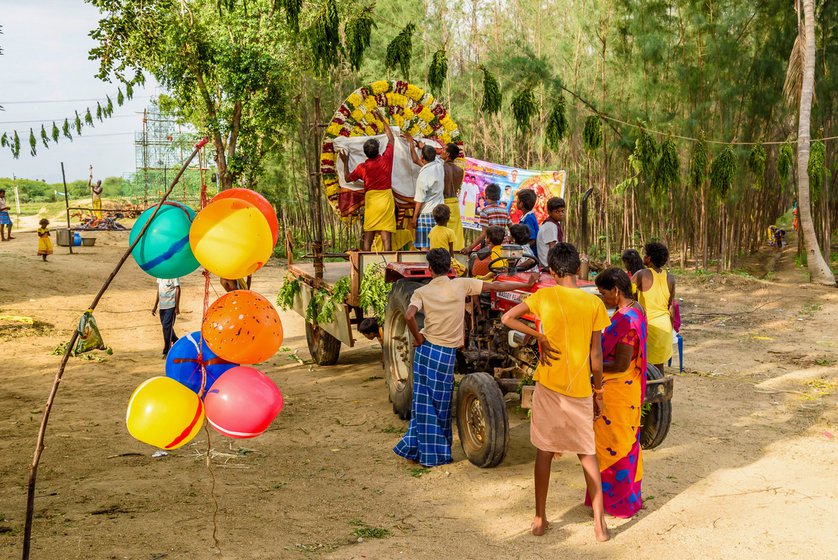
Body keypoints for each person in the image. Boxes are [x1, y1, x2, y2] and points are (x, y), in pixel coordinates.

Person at [501, 242, 611, 541]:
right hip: (580, 390)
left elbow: (506, 318)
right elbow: (596, 357)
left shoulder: (543, 296)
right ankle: (600, 525)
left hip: (549, 385)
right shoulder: (594, 304)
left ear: (551, 271)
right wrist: (598, 392)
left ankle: (539, 518)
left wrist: (539, 336)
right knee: (588, 454)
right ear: (578, 269)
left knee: (545, 452)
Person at [394, 248, 537, 467]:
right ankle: (434, 455)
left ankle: (416, 449)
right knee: (440, 406)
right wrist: (525, 285)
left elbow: (409, 315)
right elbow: (496, 286)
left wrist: (418, 338)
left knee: (423, 403)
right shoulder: (461, 284)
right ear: (450, 268)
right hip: (444, 353)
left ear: (430, 269)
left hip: (425, 351)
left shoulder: (421, 292)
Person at [592, 267, 647, 518]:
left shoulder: (626, 320)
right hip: (628, 389)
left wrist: (590, 365)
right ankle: (621, 500)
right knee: (625, 444)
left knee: (614, 446)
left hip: (617, 392)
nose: (602, 298)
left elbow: (621, 363)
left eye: (603, 293)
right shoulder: (636, 309)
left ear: (615, 291)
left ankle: (618, 503)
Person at [340, 107, 396, 251]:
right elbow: (391, 138)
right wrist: (382, 119)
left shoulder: (362, 167)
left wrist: (345, 161)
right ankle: (388, 266)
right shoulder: (386, 159)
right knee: (386, 235)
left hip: (371, 200)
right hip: (385, 199)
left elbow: (347, 178)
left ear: (365, 153)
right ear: (379, 150)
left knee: (369, 232)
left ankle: (366, 264)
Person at [634, 242, 675, 373]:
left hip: (648, 327)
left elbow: (625, 292)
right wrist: (671, 328)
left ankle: (646, 392)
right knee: (659, 367)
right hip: (665, 326)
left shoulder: (641, 274)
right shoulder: (670, 278)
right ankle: (660, 391)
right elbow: (671, 308)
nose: (644, 257)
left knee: (643, 367)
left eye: (645, 255)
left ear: (649, 259)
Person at [406, 137, 445, 250]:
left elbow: (419, 200)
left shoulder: (423, 176)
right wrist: (419, 146)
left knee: (425, 248)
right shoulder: (439, 166)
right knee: (438, 246)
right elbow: (415, 160)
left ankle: (426, 267)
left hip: (426, 214)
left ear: (422, 157)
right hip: (439, 213)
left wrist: (414, 218)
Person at [462, 183, 510, 254]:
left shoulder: (485, 211)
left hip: (491, 248)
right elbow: (511, 227)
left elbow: (484, 234)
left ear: (486, 196)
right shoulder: (505, 211)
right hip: (504, 248)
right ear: (499, 197)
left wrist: (470, 247)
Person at [440, 143, 465, 251]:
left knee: (442, 233)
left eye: (443, 149)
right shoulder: (460, 171)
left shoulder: (440, 167)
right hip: (454, 204)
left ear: (448, 154)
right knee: (456, 233)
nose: (441, 151)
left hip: (443, 203)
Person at [429, 204, 465, 275]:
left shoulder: (432, 230)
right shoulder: (450, 232)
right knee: (464, 270)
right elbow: (451, 251)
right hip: (445, 260)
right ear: (448, 218)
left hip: (433, 259)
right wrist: (453, 260)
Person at [152, 277, 181, 357]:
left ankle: (167, 350)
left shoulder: (173, 275)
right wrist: (155, 305)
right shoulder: (160, 275)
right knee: (167, 328)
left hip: (171, 305)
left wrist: (177, 306)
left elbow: (178, 289)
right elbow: (159, 290)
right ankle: (176, 341)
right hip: (162, 306)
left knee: (166, 327)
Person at [536, 197, 565, 269]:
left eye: (562, 211)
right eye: (557, 211)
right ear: (549, 212)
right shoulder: (550, 226)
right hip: (548, 266)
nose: (561, 214)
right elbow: (552, 248)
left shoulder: (553, 224)